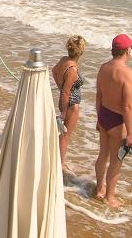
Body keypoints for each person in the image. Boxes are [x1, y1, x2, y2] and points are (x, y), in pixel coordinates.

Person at [94, 34, 132, 208]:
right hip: (117, 121)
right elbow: (127, 107)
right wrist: (131, 133)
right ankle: (109, 197)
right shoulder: (127, 74)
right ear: (126, 50)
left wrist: (98, 118)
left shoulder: (103, 68)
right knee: (116, 161)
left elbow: (99, 96)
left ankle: (99, 190)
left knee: (102, 155)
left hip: (104, 115)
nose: (131, 50)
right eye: (131, 47)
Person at [52, 35, 87, 173]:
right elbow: (67, 92)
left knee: (63, 134)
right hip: (71, 104)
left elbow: (54, 71)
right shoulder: (72, 69)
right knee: (65, 136)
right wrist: (64, 113)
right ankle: (59, 164)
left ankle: (58, 160)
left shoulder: (63, 60)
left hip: (66, 101)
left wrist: (59, 85)